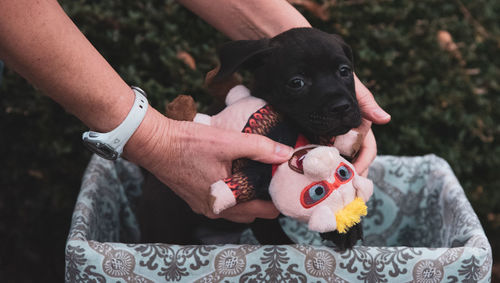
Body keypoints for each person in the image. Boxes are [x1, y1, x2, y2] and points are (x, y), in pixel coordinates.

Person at [0, 0, 390, 224]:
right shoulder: (241, 119)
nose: (340, 99)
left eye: (343, 72)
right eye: (297, 83)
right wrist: (152, 140)